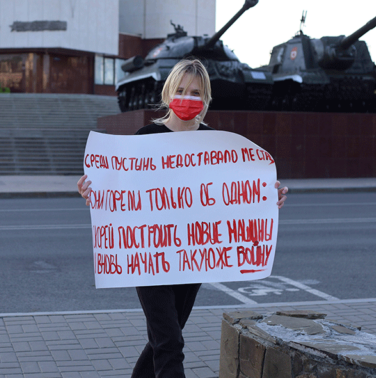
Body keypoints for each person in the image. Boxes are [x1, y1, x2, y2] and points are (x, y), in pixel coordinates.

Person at [77, 59, 288, 378]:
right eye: (180, 90)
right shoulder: (146, 137)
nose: (187, 98)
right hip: (149, 258)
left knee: (162, 341)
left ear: (205, 99)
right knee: (170, 344)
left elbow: (232, 196)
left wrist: (266, 199)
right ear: (167, 93)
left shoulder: (216, 144)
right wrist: (94, 192)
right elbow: (122, 193)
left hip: (191, 260)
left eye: (195, 92)